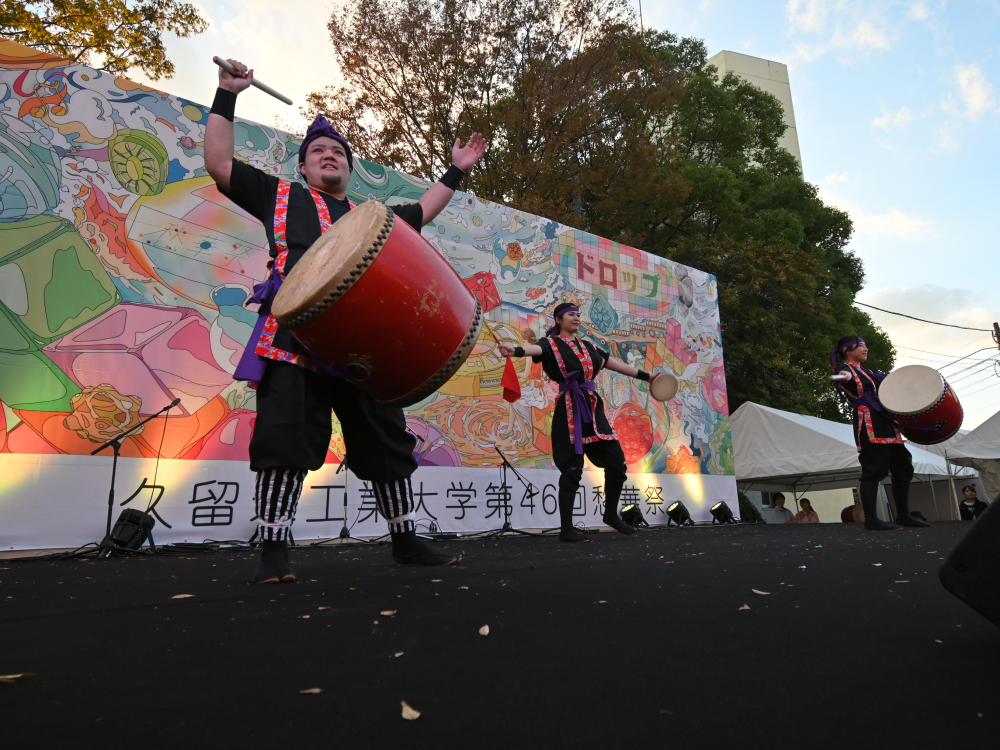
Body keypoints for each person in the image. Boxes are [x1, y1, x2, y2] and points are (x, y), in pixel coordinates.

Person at [204, 59, 487, 583]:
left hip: (362, 344)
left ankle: (405, 540)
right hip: (295, 335)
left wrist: (457, 169)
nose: (328, 156)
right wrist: (227, 94)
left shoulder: (371, 219)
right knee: (285, 441)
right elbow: (219, 162)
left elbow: (425, 210)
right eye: (318, 152)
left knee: (384, 440)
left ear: (347, 168)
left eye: (337, 152)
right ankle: (273, 552)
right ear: (305, 168)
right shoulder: (280, 196)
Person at [498, 303, 661, 542]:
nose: (576, 318)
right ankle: (567, 530)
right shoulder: (549, 344)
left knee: (616, 463)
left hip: (593, 410)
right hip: (569, 410)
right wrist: (514, 350)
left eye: (577, 315)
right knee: (572, 469)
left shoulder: (589, 346)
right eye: (571, 315)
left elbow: (614, 364)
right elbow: (533, 350)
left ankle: (610, 515)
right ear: (558, 320)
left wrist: (647, 377)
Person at [831, 336, 929, 531]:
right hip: (868, 422)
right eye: (861, 346)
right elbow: (835, 377)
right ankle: (871, 519)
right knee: (874, 469)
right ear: (847, 350)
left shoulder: (869, 373)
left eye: (865, 345)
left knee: (903, 467)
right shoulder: (844, 370)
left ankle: (903, 515)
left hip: (886, 423)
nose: (866, 348)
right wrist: (844, 377)